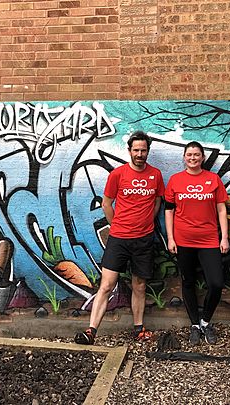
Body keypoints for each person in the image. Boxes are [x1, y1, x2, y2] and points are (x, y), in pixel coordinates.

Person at [74, 131, 165, 345]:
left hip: (143, 239)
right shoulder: (118, 174)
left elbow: (158, 201)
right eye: (136, 150)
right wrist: (117, 226)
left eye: (143, 150)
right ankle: (91, 331)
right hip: (118, 239)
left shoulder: (156, 175)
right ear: (129, 151)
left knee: (140, 285)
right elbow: (106, 203)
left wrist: (147, 222)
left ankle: (138, 328)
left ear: (147, 151)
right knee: (106, 285)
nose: (140, 154)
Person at [164, 141, 229, 345]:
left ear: (202, 157)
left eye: (196, 155)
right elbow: (169, 211)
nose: (193, 158)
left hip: (209, 239)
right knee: (188, 282)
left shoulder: (213, 179)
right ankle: (194, 325)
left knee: (216, 283)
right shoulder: (175, 180)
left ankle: (205, 321)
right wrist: (171, 237)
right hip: (183, 240)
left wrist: (224, 237)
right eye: (189, 154)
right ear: (184, 157)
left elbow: (221, 209)